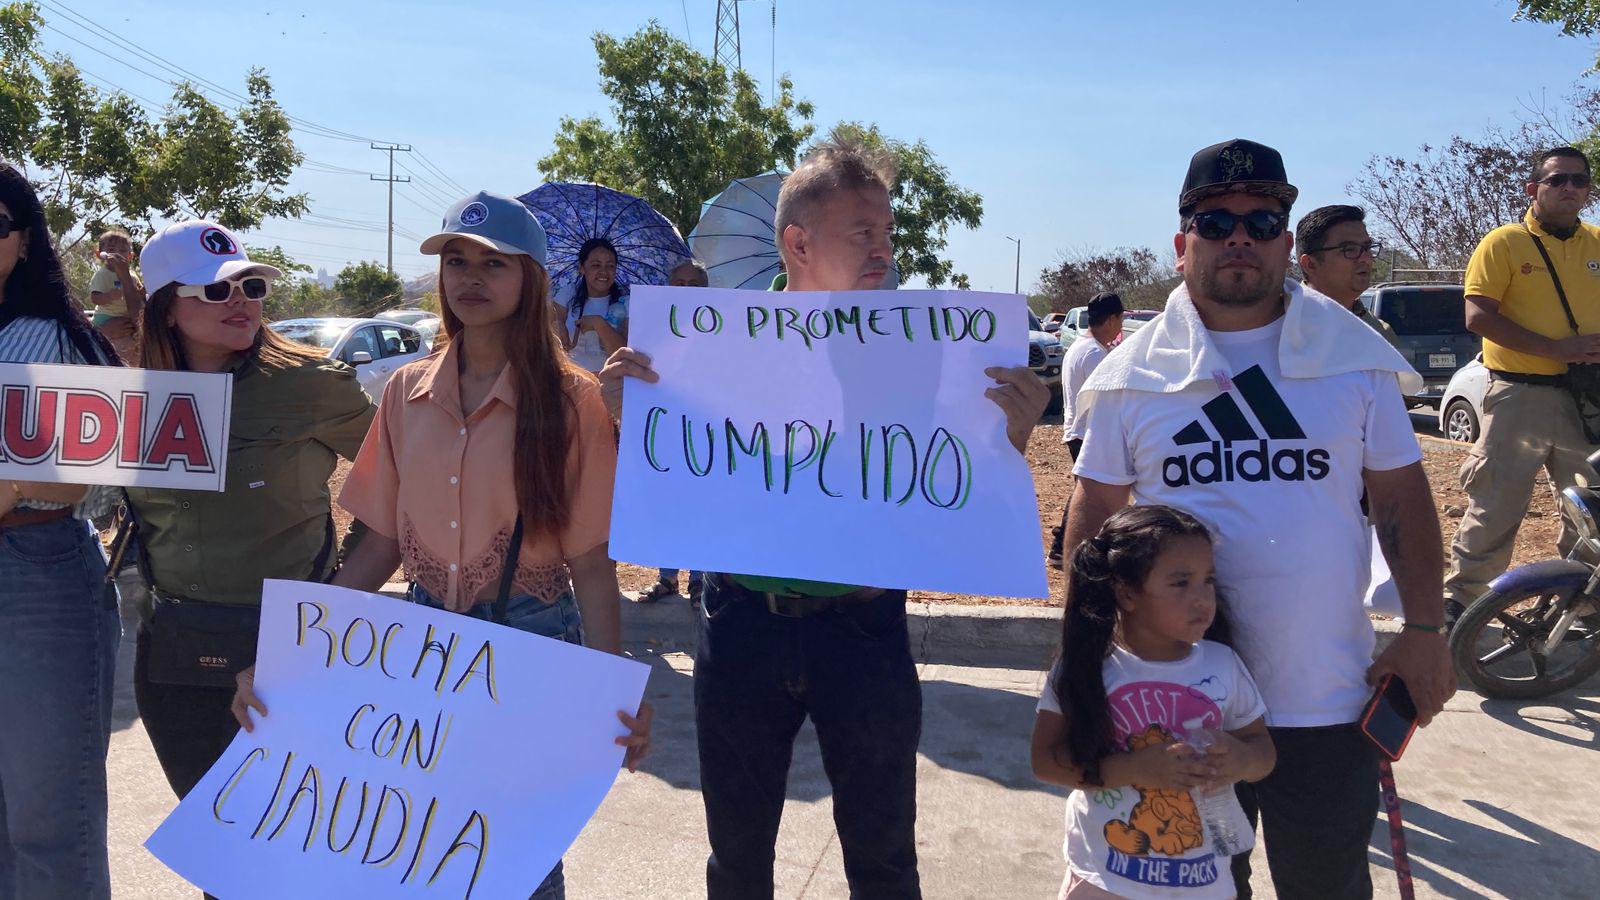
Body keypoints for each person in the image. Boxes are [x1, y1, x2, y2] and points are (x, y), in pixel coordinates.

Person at [600, 133, 1050, 899]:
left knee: (883, 858)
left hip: (865, 632)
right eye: (862, 232)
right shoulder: (707, 347)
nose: (884, 249)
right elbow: (673, 479)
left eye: (887, 231)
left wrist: (1010, 434)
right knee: (736, 858)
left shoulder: (931, 352)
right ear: (798, 242)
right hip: (743, 626)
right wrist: (624, 412)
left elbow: (961, 484)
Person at [1060, 139, 1452, 899]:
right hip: (1180, 704)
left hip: (1329, 697)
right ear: (1182, 246)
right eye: (1216, 221)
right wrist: (1086, 656)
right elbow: (1096, 514)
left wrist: (1428, 632)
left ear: (1287, 243)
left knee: (1328, 886)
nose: (1240, 236)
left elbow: (1403, 497)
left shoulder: (1354, 358)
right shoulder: (1128, 377)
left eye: (1263, 220)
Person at [237, 191, 653, 900]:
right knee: (422, 855)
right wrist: (286, 660)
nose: (470, 277)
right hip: (418, 655)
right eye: (456, 260)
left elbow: (589, 559)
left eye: (493, 263)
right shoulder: (404, 393)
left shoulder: (573, 400)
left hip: (533, 643)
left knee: (517, 856)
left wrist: (616, 689)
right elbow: (376, 546)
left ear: (529, 278)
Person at [125, 221, 376, 825]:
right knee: (216, 846)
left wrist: (337, 602)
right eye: (215, 291)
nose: (241, 301)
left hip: (291, 646)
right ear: (165, 310)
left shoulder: (312, 386)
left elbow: (394, 492)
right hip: (173, 653)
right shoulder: (129, 399)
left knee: (293, 847)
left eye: (252, 285)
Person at [1032, 505, 1274, 900]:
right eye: (1181, 583)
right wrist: (1134, 768)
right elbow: (1044, 761)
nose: (1202, 598)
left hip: (1204, 885)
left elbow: (1263, 750)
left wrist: (1240, 759)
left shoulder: (1223, 664)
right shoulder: (1087, 668)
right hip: (1104, 879)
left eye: (1208, 580)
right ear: (1126, 592)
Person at [0, 161, 122, 900]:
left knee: (47, 823)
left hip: (34, 570)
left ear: (23, 240)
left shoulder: (44, 335)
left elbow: (69, 479)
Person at [1445, 146, 1600, 622]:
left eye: (1578, 180)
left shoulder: (1596, 242)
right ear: (1533, 189)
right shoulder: (1503, 243)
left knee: (1588, 510)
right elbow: (1477, 317)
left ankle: (1578, 614)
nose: (1568, 187)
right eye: (1557, 180)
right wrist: (1558, 350)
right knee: (1495, 506)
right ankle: (1461, 612)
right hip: (1518, 396)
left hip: (1585, 400)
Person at [641, 258, 710, 604]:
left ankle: (699, 580)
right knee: (667, 504)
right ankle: (666, 578)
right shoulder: (651, 329)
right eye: (678, 284)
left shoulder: (720, 330)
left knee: (699, 505)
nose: (684, 291)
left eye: (693, 285)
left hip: (703, 431)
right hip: (663, 428)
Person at [1048, 291, 1125, 568]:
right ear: (1112, 319)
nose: (1121, 325)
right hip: (1087, 430)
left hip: (1078, 428)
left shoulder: (1081, 347)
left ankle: (1061, 546)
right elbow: (1105, 398)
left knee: (1084, 490)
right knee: (1088, 492)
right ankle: (1061, 549)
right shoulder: (1094, 353)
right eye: (1121, 318)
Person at [1294, 205, 1402, 351]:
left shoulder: (1380, 333)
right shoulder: (1280, 325)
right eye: (1350, 249)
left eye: (1367, 248)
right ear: (1310, 264)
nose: (1365, 258)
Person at [562, 237, 629, 373]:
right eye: (596, 265)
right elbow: (552, 320)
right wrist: (558, 326)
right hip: (570, 381)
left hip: (608, 386)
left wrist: (598, 324)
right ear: (581, 268)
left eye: (610, 266)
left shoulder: (625, 302)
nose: (604, 271)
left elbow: (625, 354)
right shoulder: (569, 293)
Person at [88, 229, 145, 361]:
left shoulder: (132, 275)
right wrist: (109, 296)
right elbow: (94, 298)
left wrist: (141, 293)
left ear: (130, 256)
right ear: (100, 254)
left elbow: (138, 298)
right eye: (111, 249)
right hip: (106, 317)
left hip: (127, 318)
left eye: (123, 250)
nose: (117, 253)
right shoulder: (102, 274)